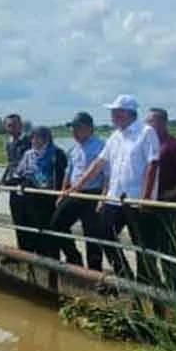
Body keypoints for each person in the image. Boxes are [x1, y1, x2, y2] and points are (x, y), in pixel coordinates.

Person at [62, 94, 161, 288]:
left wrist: (146, 198)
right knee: (102, 232)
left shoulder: (146, 132)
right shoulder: (115, 136)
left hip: (136, 199)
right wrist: (76, 186)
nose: (112, 116)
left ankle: (147, 286)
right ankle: (124, 275)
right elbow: (99, 163)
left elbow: (153, 164)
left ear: (127, 113)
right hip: (114, 198)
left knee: (141, 245)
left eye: (115, 112)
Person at [49, 112, 107, 269]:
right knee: (56, 223)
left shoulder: (101, 147)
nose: (74, 132)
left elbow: (107, 175)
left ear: (89, 129)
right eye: (72, 129)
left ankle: (95, 271)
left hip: (93, 193)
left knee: (92, 235)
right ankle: (74, 258)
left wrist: (103, 198)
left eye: (78, 128)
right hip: (75, 192)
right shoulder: (74, 149)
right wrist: (62, 191)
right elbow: (69, 172)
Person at [146, 108, 176, 291]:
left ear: (162, 122)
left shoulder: (174, 144)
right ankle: (153, 280)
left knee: (167, 243)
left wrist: (175, 189)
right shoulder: (147, 143)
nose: (148, 126)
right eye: (147, 122)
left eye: (151, 122)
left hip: (166, 202)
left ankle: (174, 283)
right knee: (149, 242)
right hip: (148, 201)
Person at [8, 127, 67, 258]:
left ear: (46, 139)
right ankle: (27, 253)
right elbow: (19, 173)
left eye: (37, 138)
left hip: (46, 198)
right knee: (26, 224)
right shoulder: (29, 154)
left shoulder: (56, 154)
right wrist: (9, 182)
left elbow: (58, 178)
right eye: (32, 138)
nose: (33, 141)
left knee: (46, 230)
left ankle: (49, 256)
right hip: (29, 197)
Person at [3, 113, 33, 252]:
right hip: (13, 185)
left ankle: (33, 251)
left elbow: (32, 165)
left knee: (29, 219)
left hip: (26, 185)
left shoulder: (28, 141)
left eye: (14, 125)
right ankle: (22, 251)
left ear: (21, 125)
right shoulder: (8, 143)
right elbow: (10, 164)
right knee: (17, 219)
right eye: (9, 125)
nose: (12, 128)